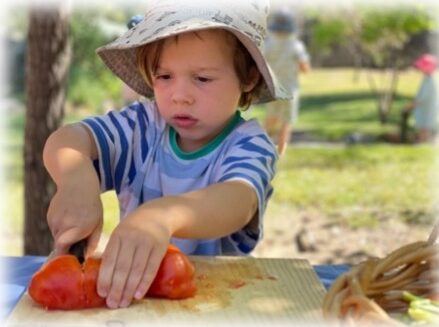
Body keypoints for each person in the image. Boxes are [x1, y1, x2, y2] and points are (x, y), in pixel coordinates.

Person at [43, 0, 289, 310]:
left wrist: (163, 216)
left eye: (202, 79)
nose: (179, 96)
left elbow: (239, 200)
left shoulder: (249, 144)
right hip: (134, 301)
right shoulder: (143, 126)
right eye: (164, 76)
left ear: (249, 77)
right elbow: (68, 139)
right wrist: (76, 181)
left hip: (217, 303)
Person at [264, 8, 311, 155]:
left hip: (272, 89)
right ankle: (281, 151)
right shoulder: (296, 46)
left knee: (272, 118)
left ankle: (261, 144)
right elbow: (305, 68)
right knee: (287, 122)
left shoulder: (268, 45)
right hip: (290, 90)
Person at [403, 54, 438, 142]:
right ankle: (423, 142)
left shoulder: (430, 81)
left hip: (427, 110)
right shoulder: (426, 79)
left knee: (424, 128)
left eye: (422, 66)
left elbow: (423, 98)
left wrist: (411, 105)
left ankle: (424, 142)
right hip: (424, 109)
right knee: (422, 127)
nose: (420, 69)